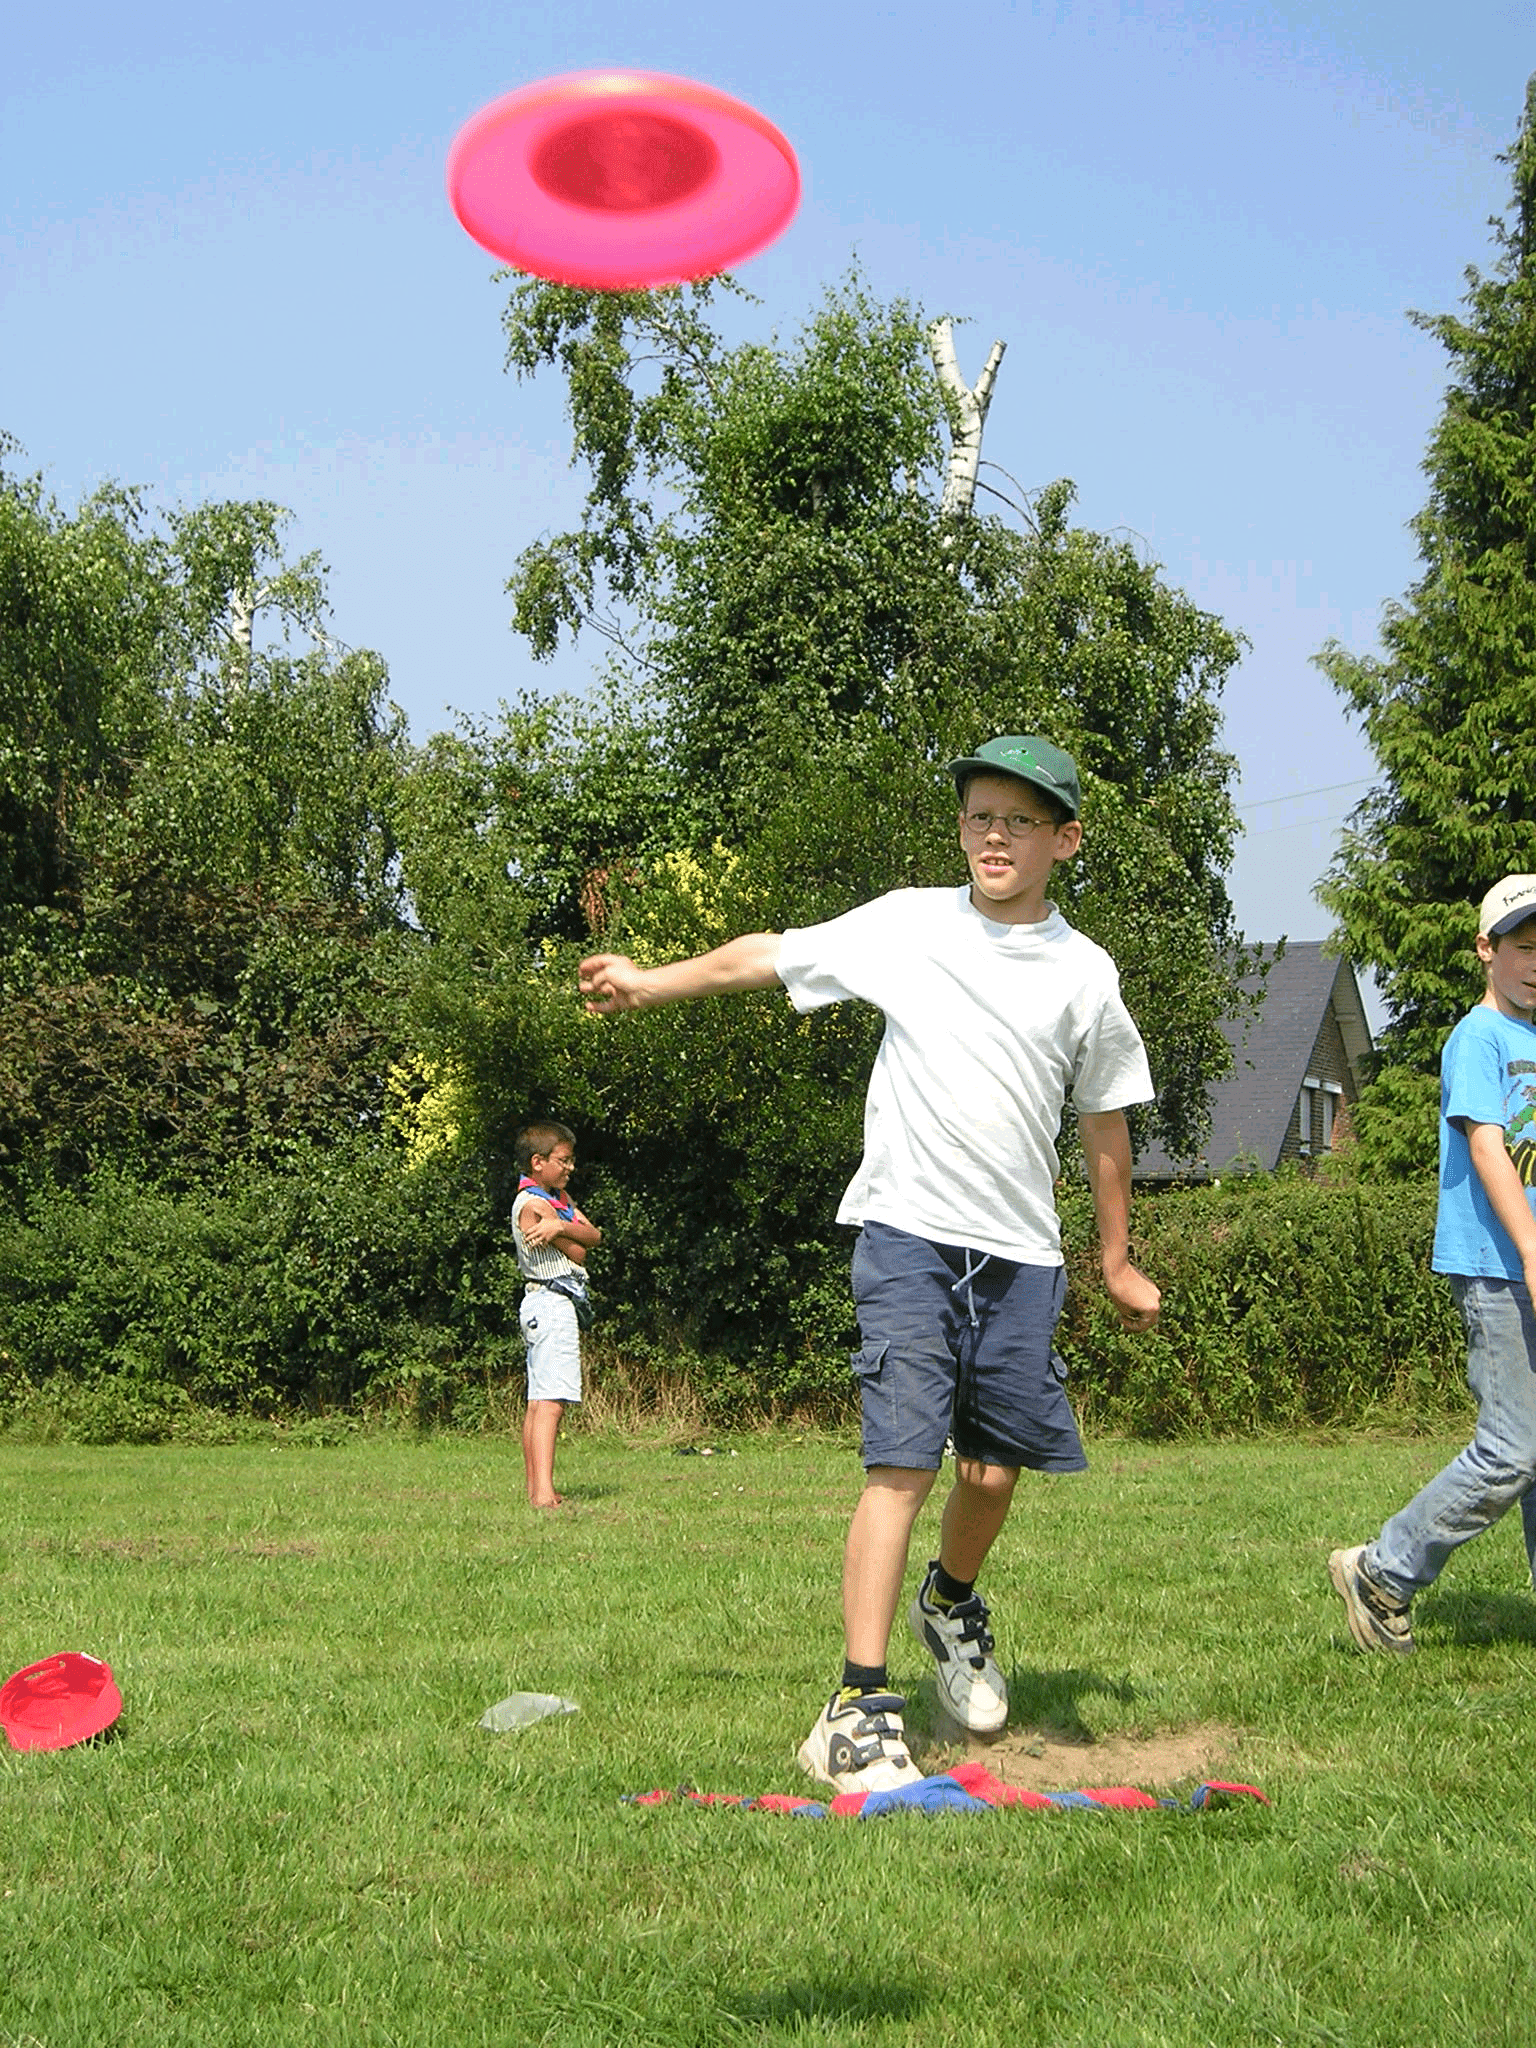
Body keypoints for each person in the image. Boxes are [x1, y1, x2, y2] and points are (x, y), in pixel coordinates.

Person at [579, 735, 1162, 1792]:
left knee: (993, 1469)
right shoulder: (908, 924)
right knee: (903, 1462)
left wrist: (1115, 1260)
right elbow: (769, 954)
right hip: (905, 1237)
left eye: (1019, 820)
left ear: (1065, 841)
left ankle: (952, 1601)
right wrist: (650, 982)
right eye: (979, 815)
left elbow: (1105, 1116)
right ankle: (856, 1705)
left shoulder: (1086, 972)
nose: (994, 835)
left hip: (1021, 1255)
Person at [1330, 875, 1536, 1653]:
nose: (1535, 964)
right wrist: (1531, 1249)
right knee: (1513, 1448)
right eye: (1523, 947)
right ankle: (1382, 1570)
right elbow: (1488, 1148)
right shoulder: (1478, 1039)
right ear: (1486, 949)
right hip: (1498, 1267)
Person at [512, 1120, 602, 1510]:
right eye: (563, 1161)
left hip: (541, 1304)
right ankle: (544, 1495)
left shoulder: (556, 1201)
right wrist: (565, 1226)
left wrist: (560, 1226)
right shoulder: (535, 1204)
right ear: (538, 1162)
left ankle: (537, 1489)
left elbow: (594, 1235)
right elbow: (580, 1251)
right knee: (551, 1401)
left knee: (538, 1400)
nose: (570, 1168)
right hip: (551, 1302)